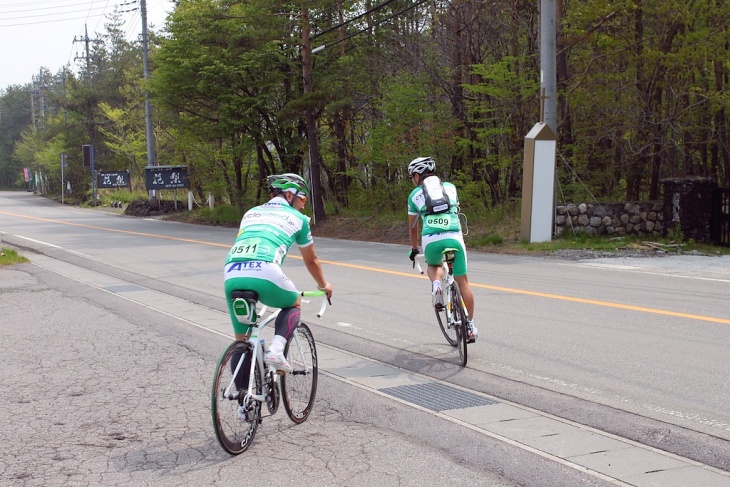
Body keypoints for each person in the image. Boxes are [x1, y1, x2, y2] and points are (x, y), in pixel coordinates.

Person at [223, 173, 333, 373]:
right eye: (303, 199)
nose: (303, 205)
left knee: (242, 341)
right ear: (290, 195)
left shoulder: (250, 212)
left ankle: (242, 399)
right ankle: (276, 349)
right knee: (294, 302)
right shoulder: (299, 219)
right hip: (264, 271)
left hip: (232, 272)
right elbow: (311, 260)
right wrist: (323, 286)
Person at [406, 156, 478, 342]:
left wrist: (414, 249)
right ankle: (469, 326)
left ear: (416, 175)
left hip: (431, 237)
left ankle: (436, 285)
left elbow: (413, 226)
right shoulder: (451, 187)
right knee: (463, 283)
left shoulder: (414, 195)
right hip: (454, 234)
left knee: (434, 265)